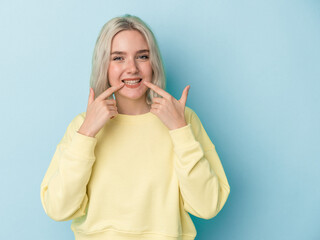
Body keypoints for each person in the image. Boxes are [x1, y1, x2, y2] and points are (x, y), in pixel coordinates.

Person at [40, 14, 230, 240]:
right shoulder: (82, 126)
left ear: (153, 63)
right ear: (104, 66)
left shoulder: (183, 119)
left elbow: (207, 206)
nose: (132, 68)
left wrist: (180, 130)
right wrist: (87, 133)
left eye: (142, 56)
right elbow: (58, 209)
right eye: (118, 58)